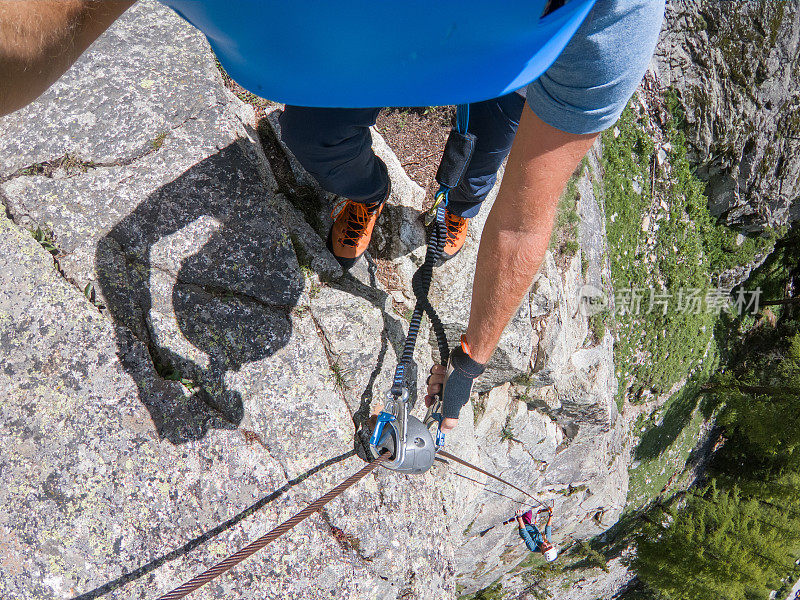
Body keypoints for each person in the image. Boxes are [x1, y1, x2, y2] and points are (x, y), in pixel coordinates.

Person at [0, 0, 665, 433]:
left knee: (480, 163)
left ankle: (455, 208)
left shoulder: (616, 15)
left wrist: (471, 359)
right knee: (315, 137)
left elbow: (526, 214)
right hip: (363, 41)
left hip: (485, 59)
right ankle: (369, 193)